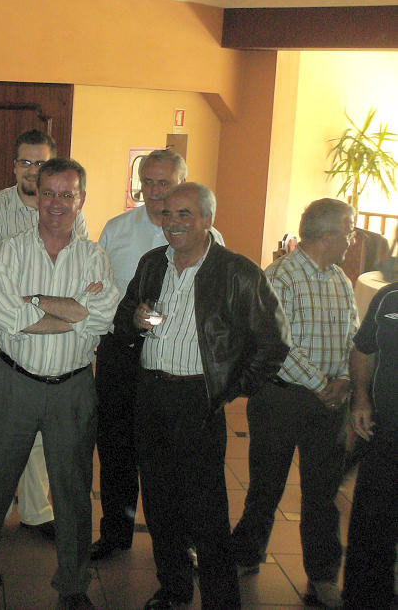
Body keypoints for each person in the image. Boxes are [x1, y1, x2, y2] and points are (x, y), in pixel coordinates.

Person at [119, 182, 289, 609]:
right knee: (158, 500)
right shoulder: (153, 263)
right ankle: (174, 588)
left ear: (208, 220)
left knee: (206, 508)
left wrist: (231, 388)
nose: (173, 223)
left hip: (198, 398)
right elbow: (124, 315)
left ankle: (220, 598)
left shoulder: (237, 272)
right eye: (167, 214)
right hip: (151, 394)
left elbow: (274, 341)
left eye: (185, 214)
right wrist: (135, 319)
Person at [0, 159, 119, 610]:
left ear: (81, 199)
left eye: (67, 194)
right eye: (48, 193)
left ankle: (73, 585)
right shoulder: (10, 252)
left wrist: (34, 302)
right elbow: (5, 317)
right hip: (15, 384)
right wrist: (74, 312)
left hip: (73, 388)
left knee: (73, 491)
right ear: (37, 196)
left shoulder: (94, 256)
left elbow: (102, 317)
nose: (56, 203)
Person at [91, 148, 222, 561]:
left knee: (175, 456)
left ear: (182, 183)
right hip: (122, 352)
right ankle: (116, 532)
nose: (153, 191)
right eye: (147, 181)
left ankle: (181, 541)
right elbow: (99, 287)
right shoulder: (117, 229)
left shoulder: (210, 239)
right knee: (116, 447)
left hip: (176, 364)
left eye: (163, 183)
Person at [231, 198, 357, 609]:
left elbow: (352, 335)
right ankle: (246, 556)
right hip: (280, 399)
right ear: (327, 235)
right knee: (266, 486)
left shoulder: (340, 279)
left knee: (323, 493)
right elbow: (279, 345)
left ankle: (322, 577)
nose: (352, 240)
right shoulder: (279, 277)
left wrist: (344, 379)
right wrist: (323, 384)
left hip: (329, 403)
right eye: (348, 231)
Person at [0, 129, 87, 539]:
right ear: (14, 166)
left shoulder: (71, 211)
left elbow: (78, 276)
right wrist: (45, 296)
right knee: (2, 424)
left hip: (53, 329)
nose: (33, 170)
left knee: (44, 420)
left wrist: (31, 295)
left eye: (41, 163)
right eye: (26, 162)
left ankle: (37, 510)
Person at [342, 280, 398, 609]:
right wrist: (360, 398)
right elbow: (364, 349)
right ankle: (365, 599)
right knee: (372, 521)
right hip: (386, 430)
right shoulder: (389, 297)